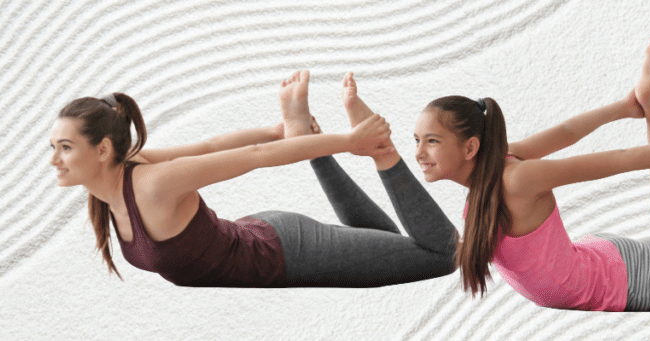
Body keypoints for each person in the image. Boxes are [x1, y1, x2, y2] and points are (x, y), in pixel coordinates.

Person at [407, 30, 650, 311]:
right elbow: (564, 132)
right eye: (417, 140)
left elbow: (622, 160)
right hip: (601, 257)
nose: (420, 153)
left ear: (471, 147)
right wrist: (627, 106)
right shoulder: (495, 167)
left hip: (625, 280)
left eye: (432, 141)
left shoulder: (515, 180)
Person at [48, 70, 457, 288]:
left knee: (443, 257)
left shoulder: (151, 184)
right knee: (386, 247)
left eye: (65, 147)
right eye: (54, 147)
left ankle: (379, 151)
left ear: (102, 150)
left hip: (290, 253)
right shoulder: (116, 185)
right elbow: (208, 147)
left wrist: (351, 141)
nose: (54, 160)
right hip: (268, 242)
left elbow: (252, 159)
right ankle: (309, 137)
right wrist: (275, 129)